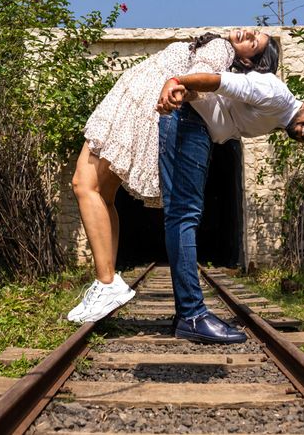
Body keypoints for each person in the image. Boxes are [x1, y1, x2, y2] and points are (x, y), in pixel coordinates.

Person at [67, 29, 280, 323]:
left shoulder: (221, 48)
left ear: (246, 62)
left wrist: (181, 89)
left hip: (136, 106)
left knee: (84, 184)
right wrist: (185, 90)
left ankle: (106, 283)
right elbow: (198, 80)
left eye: (253, 42)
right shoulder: (220, 47)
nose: (248, 34)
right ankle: (107, 280)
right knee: (102, 195)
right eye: (255, 32)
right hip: (136, 102)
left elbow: (200, 75)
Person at [155, 70, 304, 343]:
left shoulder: (280, 117)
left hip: (195, 123)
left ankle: (187, 313)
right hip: (191, 122)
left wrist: (184, 91)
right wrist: (177, 82)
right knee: (183, 215)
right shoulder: (277, 95)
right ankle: (192, 315)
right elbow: (220, 81)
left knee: (182, 214)